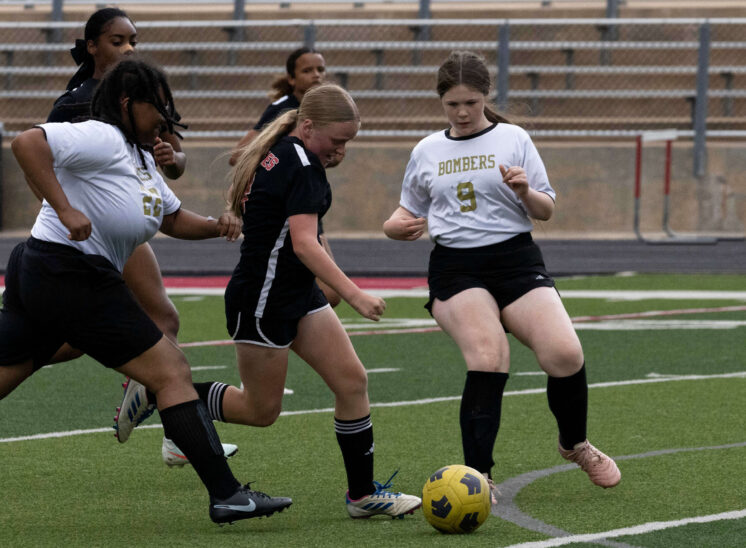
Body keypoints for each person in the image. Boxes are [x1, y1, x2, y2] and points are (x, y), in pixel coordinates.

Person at [1, 58, 291, 524]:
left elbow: (172, 219)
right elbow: (26, 142)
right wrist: (65, 208)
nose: (164, 117)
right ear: (125, 103)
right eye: (156, 106)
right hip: (68, 270)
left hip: (54, 273)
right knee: (170, 371)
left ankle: (227, 494)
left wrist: (221, 226)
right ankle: (227, 494)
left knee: (11, 366)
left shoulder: (139, 156)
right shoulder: (104, 135)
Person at [124, 83, 422, 519]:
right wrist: (355, 294)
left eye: (348, 142)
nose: (341, 150)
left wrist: (329, 286)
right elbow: (304, 243)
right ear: (307, 126)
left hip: (295, 293)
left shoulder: (290, 152)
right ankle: (164, 394)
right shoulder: (299, 164)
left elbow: (306, 233)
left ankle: (362, 496)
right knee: (260, 410)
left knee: (352, 381)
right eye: (336, 140)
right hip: (263, 299)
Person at [383, 51, 621, 504]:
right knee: (489, 357)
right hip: (456, 267)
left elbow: (546, 209)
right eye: (452, 104)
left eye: (471, 102)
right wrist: (393, 227)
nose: (462, 112)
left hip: (515, 260)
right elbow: (405, 211)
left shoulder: (513, 138)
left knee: (565, 354)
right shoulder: (427, 150)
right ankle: (479, 475)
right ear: (441, 102)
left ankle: (575, 446)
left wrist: (526, 191)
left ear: (485, 96)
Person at [38, 7, 239, 466]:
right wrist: (68, 210)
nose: (128, 48)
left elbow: (175, 161)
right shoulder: (77, 102)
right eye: (116, 40)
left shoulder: (144, 90)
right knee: (100, 332)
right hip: (86, 234)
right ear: (91, 47)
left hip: (125, 226)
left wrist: (170, 158)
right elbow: (43, 155)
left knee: (163, 320)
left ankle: (174, 431)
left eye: (133, 40)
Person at [229, 47, 340, 307]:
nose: (316, 75)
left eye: (320, 69)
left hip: (307, 202)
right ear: (291, 78)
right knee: (325, 291)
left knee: (329, 295)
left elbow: (322, 156)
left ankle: (291, 325)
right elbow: (239, 155)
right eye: (307, 70)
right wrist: (276, 169)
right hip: (286, 211)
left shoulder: (320, 110)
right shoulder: (283, 109)